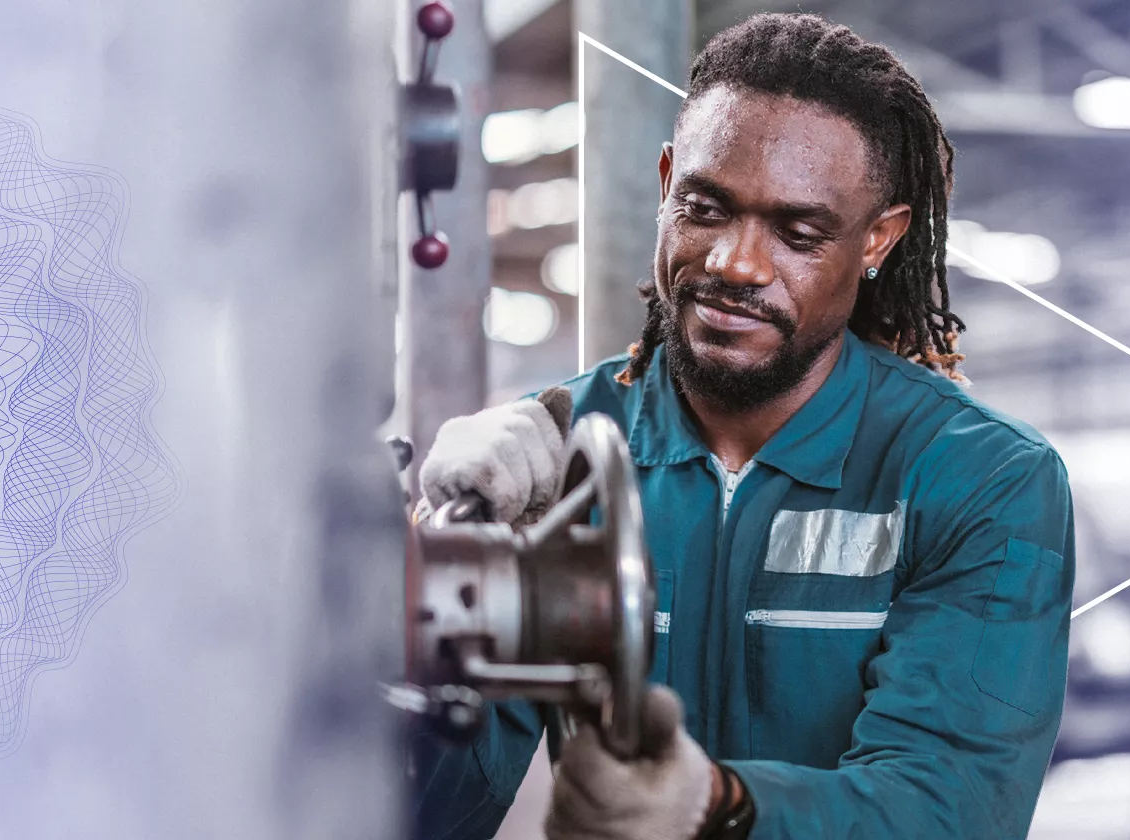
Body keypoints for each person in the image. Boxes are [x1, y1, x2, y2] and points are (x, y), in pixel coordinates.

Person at [411, 13, 1076, 839]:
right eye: (705, 207)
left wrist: (719, 808)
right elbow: (417, 812)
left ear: (878, 240)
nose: (736, 264)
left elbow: (951, 806)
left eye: (798, 234)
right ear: (664, 184)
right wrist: (438, 565)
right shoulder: (568, 459)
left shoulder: (979, 477)